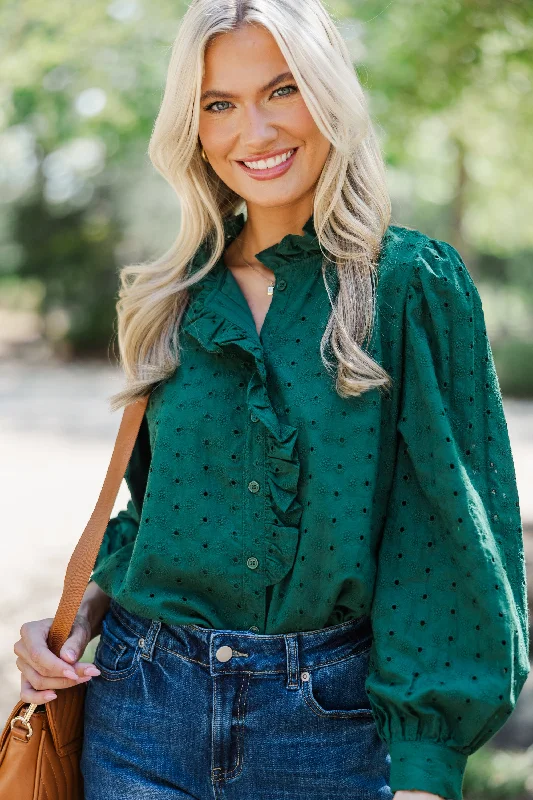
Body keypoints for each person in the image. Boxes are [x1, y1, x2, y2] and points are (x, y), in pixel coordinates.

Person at [13, 1, 530, 799]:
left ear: (330, 96)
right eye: (218, 104)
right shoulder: (165, 297)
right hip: (139, 713)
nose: (251, 132)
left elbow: (445, 539)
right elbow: (151, 516)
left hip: (329, 733)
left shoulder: (408, 286)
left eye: (280, 91)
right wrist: (79, 621)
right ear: (192, 127)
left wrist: (426, 770)